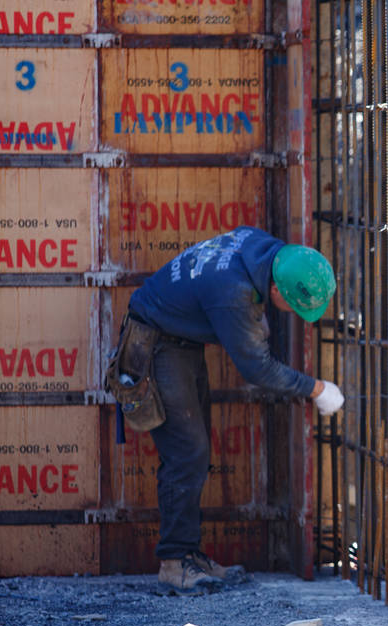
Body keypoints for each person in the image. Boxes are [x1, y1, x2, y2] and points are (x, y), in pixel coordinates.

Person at [116, 226, 345, 592]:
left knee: (195, 450)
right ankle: (174, 563)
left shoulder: (261, 249)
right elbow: (257, 369)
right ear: (276, 291)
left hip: (179, 340)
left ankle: (189, 554)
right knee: (187, 452)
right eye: (296, 306)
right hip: (156, 342)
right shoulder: (234, 293)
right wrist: (316, 389)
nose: (297, 314)